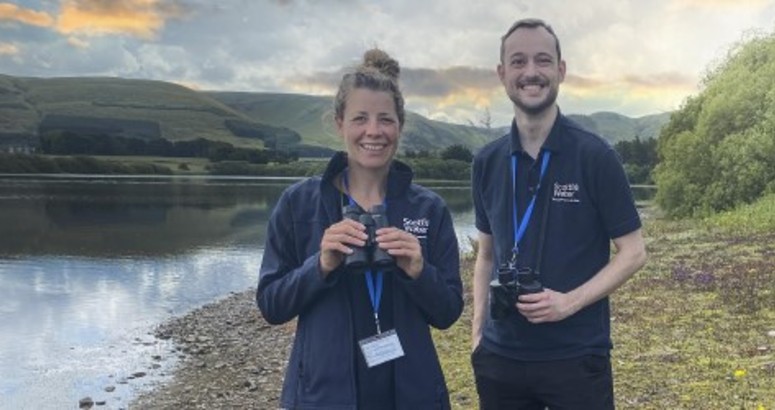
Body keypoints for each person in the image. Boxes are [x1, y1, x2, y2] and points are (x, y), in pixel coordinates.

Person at [257, 48, 464, 410]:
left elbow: (447, 313)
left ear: (400, 125)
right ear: (340, 123)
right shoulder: (298, 204)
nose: (374, 131)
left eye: (385, 119)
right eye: (360, 118)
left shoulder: (428, 209)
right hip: (323, 396)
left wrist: (419, 272)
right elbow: (272, 306)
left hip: (411, 395)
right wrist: (320, 265)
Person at [470, 18, 648, 409]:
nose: (531, 72)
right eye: (518, 61)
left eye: (543, 60)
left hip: (577, 356)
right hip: (500, 359)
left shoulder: (596, 156)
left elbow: (634, 252)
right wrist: (478, 333)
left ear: (561, 70)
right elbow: (486, 255)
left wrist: (569, 302)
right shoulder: (487, 161)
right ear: (502, 74)